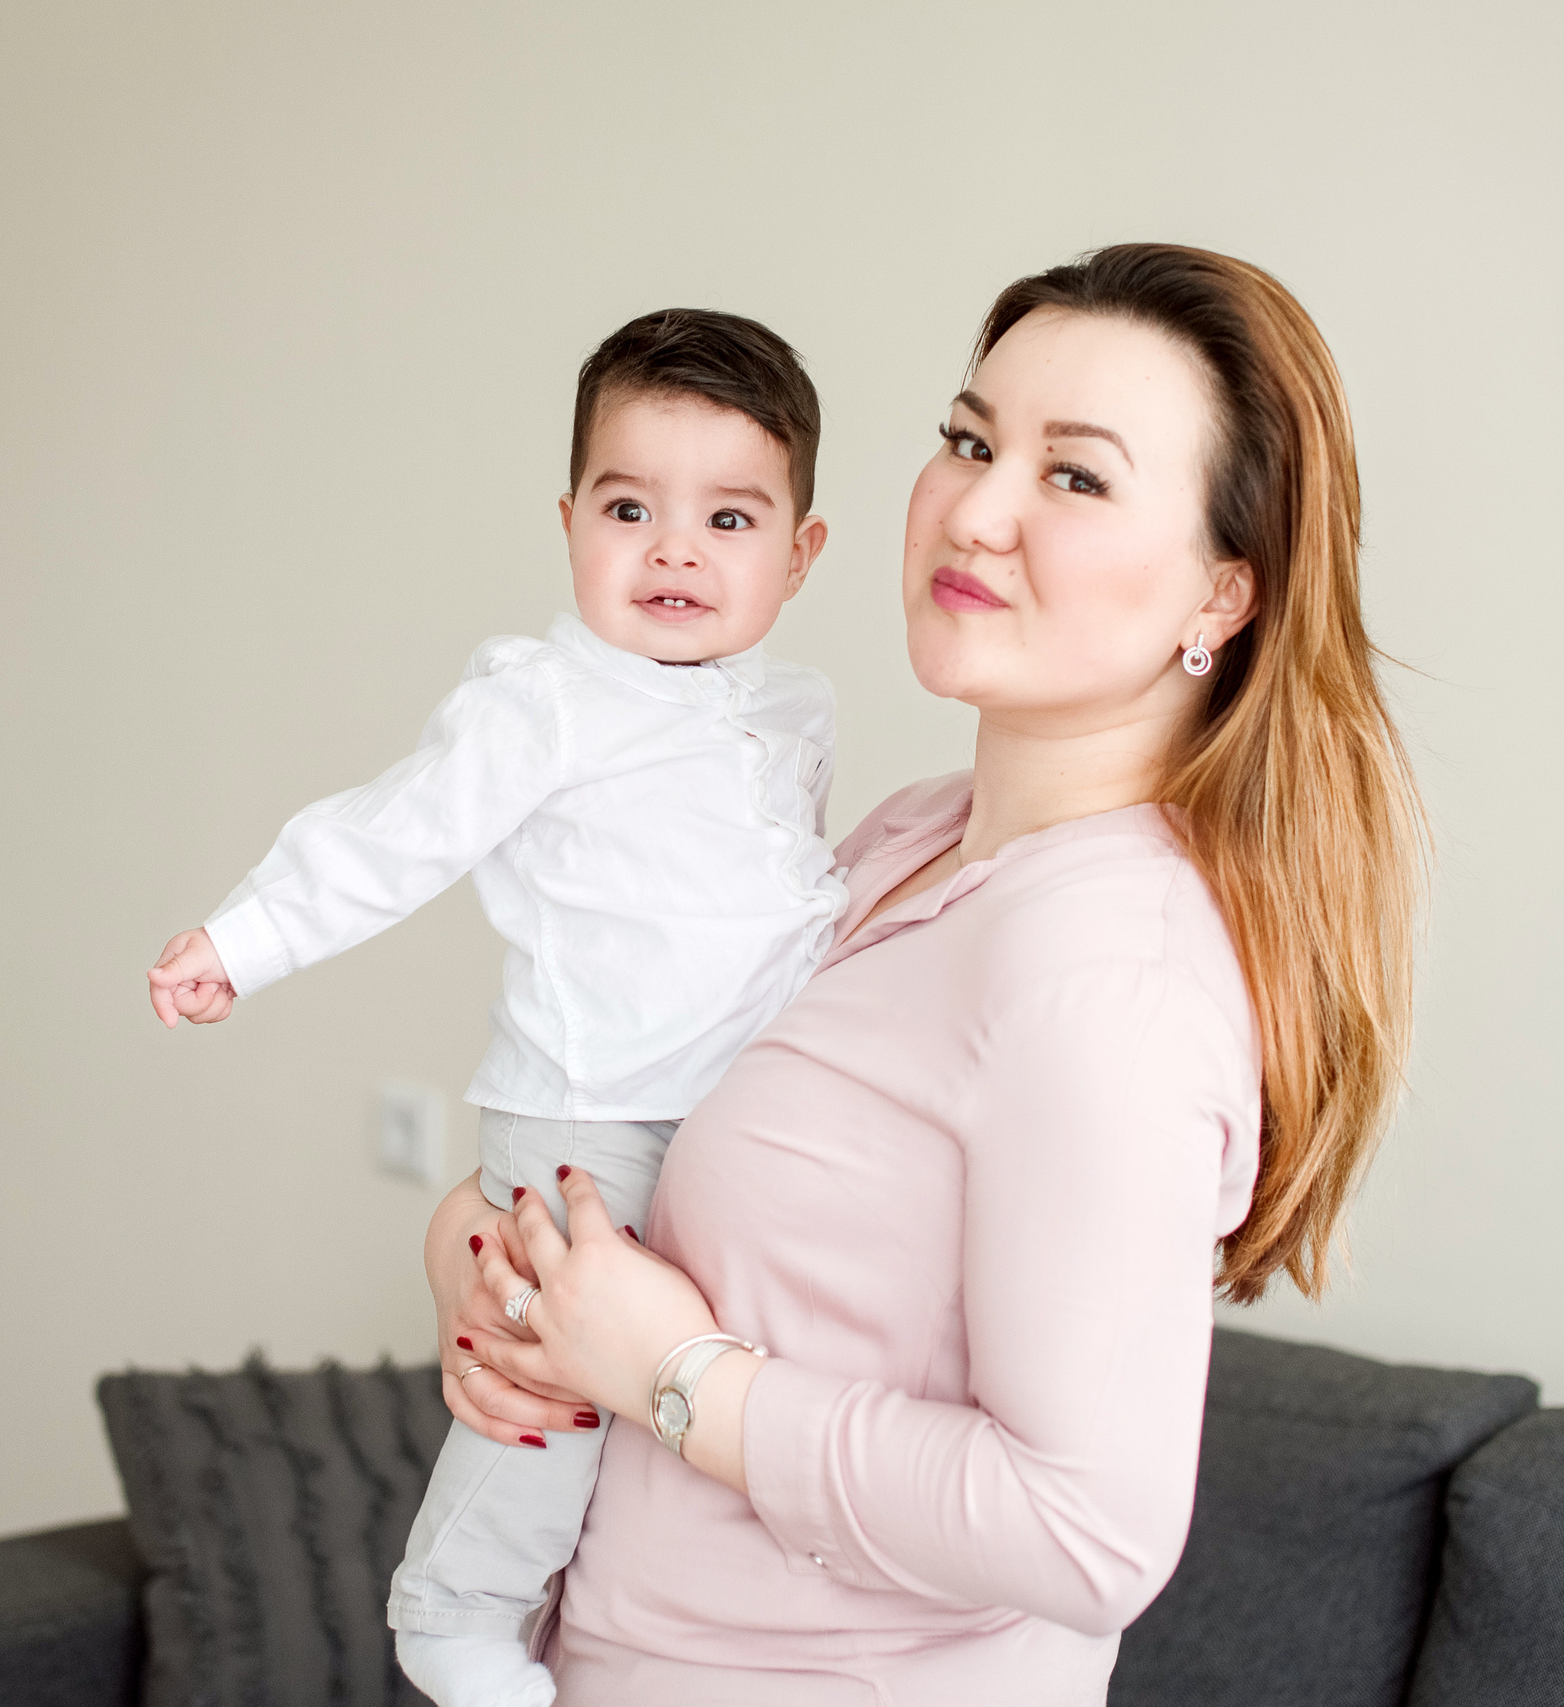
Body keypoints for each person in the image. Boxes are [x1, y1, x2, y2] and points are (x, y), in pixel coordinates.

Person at [429, 243, 1427, 1704]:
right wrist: (496, 1267)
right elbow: (721, 1197)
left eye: (1075, 477)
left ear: (1223, 593)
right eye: (970, 439)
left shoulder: (1107, 981)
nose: (979, 507)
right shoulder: (909, 843)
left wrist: (676, 1377)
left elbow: (1088, 1532)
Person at [144, 309, 847, 1707]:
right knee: (558, 1387)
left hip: (718, 1109)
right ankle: (455, 1618)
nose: (674, 550)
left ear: (799, 553)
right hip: (592, 1107)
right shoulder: (545, 703)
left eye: (728, 517)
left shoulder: (788, 715)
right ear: (571, 520)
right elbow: (399, 832)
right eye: (630, 506)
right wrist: (251, 935)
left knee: (677, 1381)